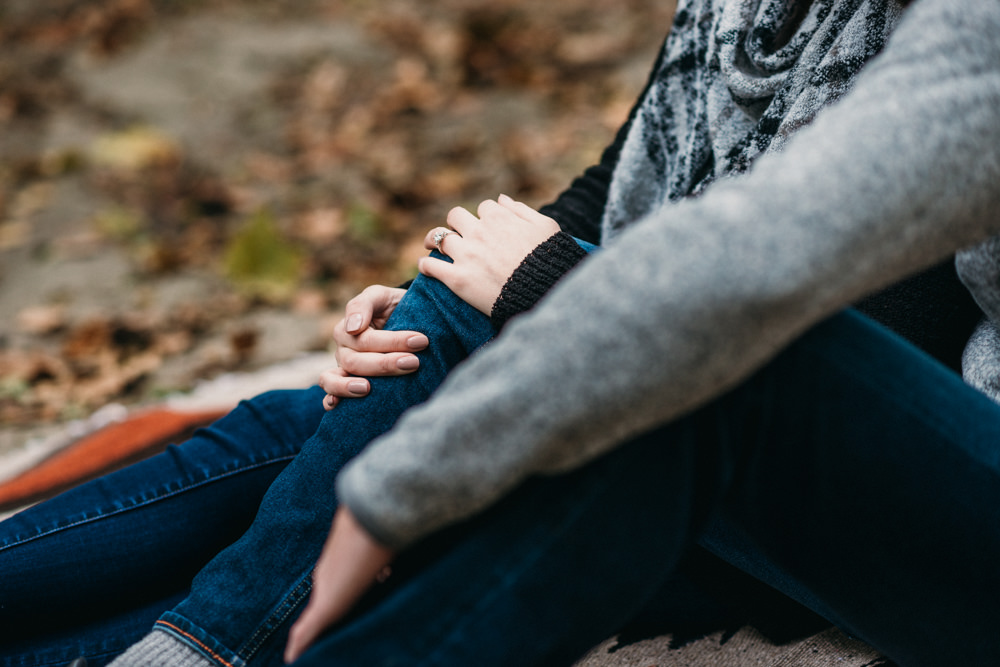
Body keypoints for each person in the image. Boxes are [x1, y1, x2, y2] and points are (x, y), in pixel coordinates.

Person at [2, 0, 1000, 665]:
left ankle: (208, 641)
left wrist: (538, 291)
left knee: (454, 362)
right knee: (345, 393)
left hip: (851, 468)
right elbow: (610, 191)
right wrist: (456, 280)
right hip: (691, 385)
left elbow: (842, 337)